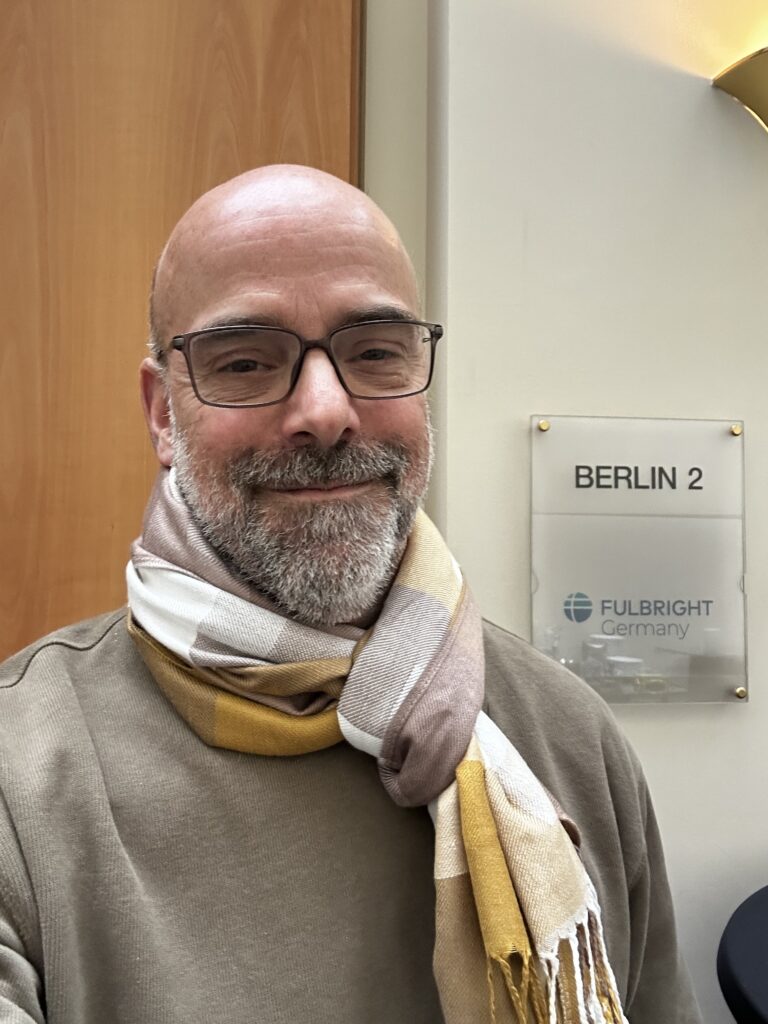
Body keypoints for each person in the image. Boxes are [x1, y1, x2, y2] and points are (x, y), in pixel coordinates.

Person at [0, 166, 701, 1024]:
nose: (326, 412)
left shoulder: (569, 740)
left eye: (374, 351)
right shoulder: (20, 779)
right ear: (160, 414)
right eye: (248, 361)